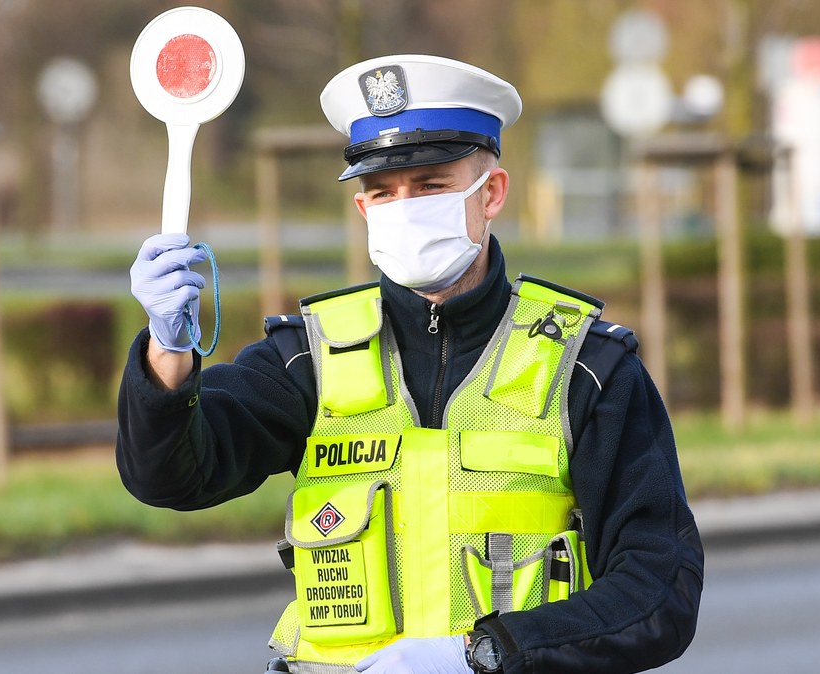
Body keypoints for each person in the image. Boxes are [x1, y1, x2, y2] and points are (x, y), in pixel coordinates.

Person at [118, 54, 702, 674]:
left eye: (431, 186)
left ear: (492, 193)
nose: (405, 206)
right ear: (364, 210)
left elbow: (658, 590)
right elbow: (169, 477)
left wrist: (485, 655)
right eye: (382, 193)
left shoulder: (587, 367)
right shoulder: (307, 361)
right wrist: (168, 351)